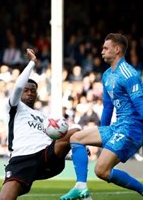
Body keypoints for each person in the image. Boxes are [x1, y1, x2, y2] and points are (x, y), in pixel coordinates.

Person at [0, 48, 81, 200]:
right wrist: (32, 63)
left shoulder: (44, 117)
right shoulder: (14, 107)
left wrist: (72, 151)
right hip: (22, 159)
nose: (30, 93)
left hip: (44, 156)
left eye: (33, 91)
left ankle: (81, 187)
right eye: (26, 90)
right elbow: (18, 87)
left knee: (75, 131)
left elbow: (51, 142)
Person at [60, 33, 143, 200]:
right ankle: (81, 187)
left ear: (117, 49)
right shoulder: (106, 75)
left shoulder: (129, 74)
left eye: (106, 48)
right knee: (76, 138)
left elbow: (140, 105)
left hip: (132, 129)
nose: (102, 51)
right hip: (117, 127)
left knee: (101, 170)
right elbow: (107, 107)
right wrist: (101, 135)